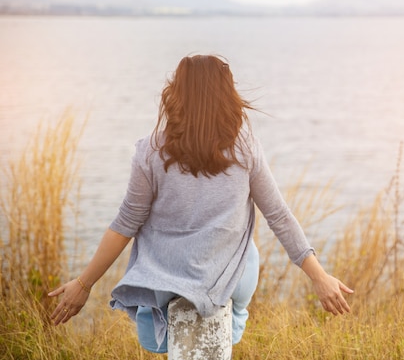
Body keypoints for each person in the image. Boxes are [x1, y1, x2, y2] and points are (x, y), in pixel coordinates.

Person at [48, 54, 353, 352]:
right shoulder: (245, 149)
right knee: (243, 278)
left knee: (151, 338)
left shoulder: (150, 152)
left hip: (166, 281)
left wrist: (84, 284)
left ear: (175, 95)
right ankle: (234, 321)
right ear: (227, 96)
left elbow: (125, 225)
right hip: (234, 279)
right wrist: (319, 277)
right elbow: (279, 216)